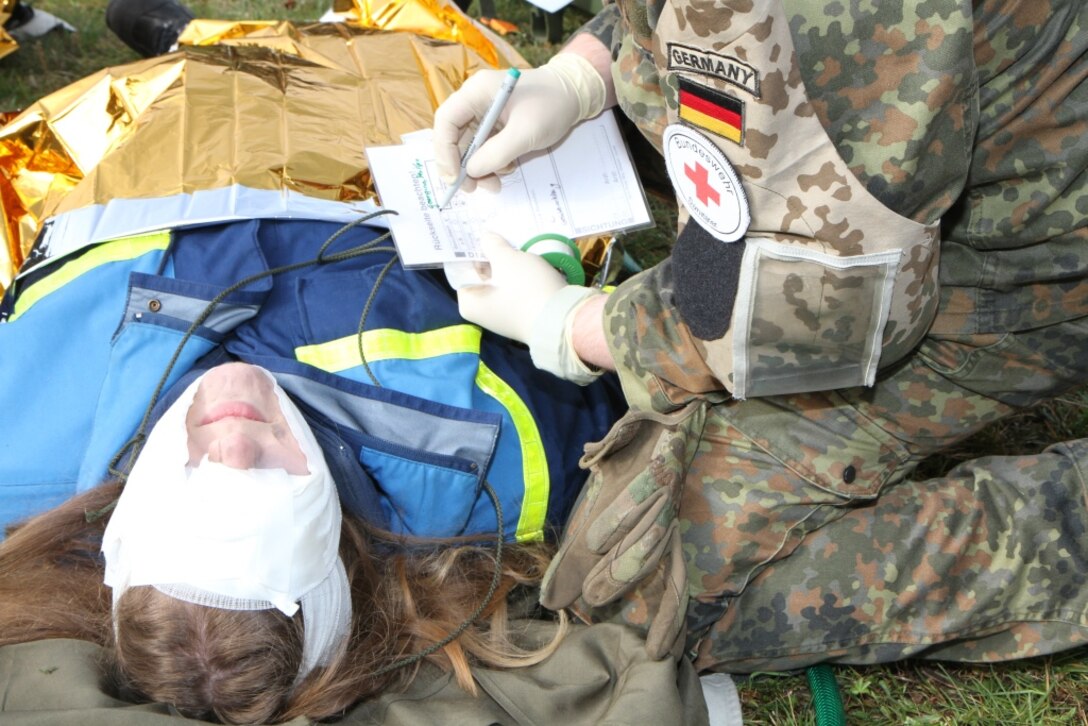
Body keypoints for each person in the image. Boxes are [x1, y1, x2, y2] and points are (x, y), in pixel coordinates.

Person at [432, 0, 1088, 675]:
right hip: (943, 167)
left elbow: (814, 309)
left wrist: (575, 326)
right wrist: (583, 73)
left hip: (1008, 282)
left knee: (643, 588)